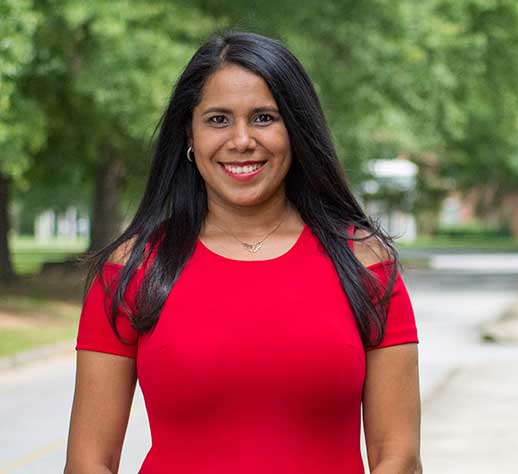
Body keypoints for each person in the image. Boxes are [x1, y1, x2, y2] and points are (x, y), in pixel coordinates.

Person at [64, 30, 422, 473]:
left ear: (297, 130)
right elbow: (88, 462)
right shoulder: (131, 270)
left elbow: (399, 458)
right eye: (218, 119)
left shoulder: (366, 264)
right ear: (189, 135)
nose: (241, 140)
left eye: (264, 118)